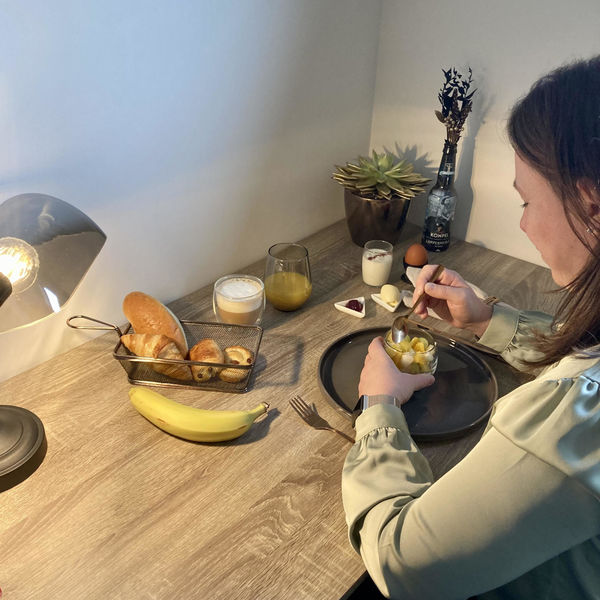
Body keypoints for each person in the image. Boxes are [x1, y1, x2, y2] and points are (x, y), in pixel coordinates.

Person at [342, 55, 600, 600]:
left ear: (590, 204)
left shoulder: (579, 418)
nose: (523, 222)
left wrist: (378, 406)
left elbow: (402, 563)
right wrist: (487, 320)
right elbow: (583, 350)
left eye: (527, 201)